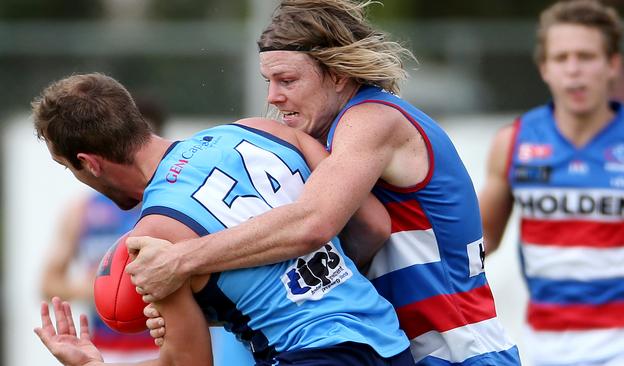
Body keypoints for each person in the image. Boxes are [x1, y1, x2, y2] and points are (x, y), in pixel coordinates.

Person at [125, 1, 521, 365]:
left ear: (336, 75)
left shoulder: (372, 119)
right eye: (268, 81)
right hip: (405, 350)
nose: (273, 97)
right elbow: (322, 265)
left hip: (456, 352)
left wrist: (181, 261)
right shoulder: (326, 142)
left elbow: (311, 225)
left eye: (287, 80)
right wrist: (208, 309)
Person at [32, 72, 413, 365]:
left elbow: (190, 363)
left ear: (89, 163)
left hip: (307, 354)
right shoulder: (262, 129)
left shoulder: (154, 237)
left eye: (69, 168)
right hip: (387, 340)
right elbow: (374, 223)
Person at [478, 1, 624, 365]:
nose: (574, 70)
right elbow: (480, 243)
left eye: (586, 56)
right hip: (545, 343)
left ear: (612, 65)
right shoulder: (514, 142)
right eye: (561, 58)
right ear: (544, 68)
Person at [40, 96, 167, 363]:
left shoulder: (173, 205)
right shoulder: (82, 210)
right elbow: (47, 283)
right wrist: (108, 288)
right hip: (104, 350)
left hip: (164, 348)